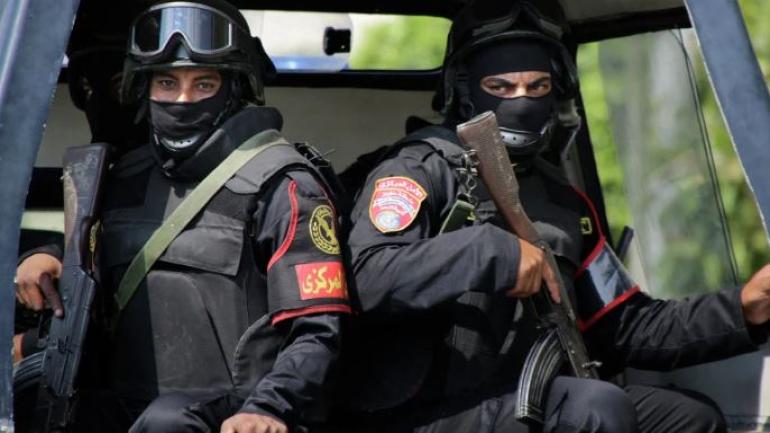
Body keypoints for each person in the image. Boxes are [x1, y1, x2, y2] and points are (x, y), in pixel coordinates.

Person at [337, 1, 770, 432]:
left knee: (688, 418)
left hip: (524, 398)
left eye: (538, 86)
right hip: (426, 412)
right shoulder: (418, 170)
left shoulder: (562, 200)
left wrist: (743, 308)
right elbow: (368, 277)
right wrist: (493, 252)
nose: (521, 100)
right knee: (595, 409)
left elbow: (625, 325)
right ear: (466, 91)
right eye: (501, 86)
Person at [14, 1, 350, 432]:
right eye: (167, 83)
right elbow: (99, 261)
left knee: (167, 421)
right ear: (144, 88)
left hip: (239, 415)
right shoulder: (124, 178)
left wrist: (268, 408)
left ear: (234, 89)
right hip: (128, 408)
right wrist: (49, 257)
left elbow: (318, 329)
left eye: (203, 84)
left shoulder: (282, 186)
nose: (183, 100)